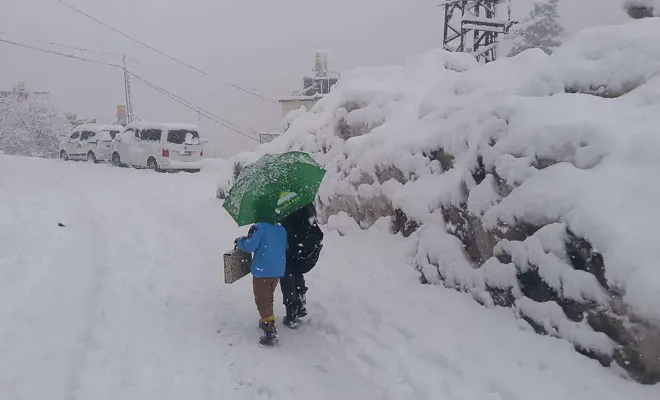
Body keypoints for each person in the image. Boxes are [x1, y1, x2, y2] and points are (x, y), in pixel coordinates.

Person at [236, 221, 288, 346]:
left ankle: (270, 330)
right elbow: (285, 246)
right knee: (268, 296)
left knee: (262, 299)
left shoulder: (260, 228)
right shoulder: (281, 229)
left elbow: (250, 246)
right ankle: (267, 317)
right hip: (277, 270)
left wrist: (240, 241)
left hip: (263, 270)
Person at [280, 204, 324, 328]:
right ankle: (300, 304)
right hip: (305, 251)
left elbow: (287, 233)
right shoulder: (305, 203)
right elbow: (314, 228)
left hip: (293, 249)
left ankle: (291, 313)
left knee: (287, 279)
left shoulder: (287, 209)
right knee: (297, 273)